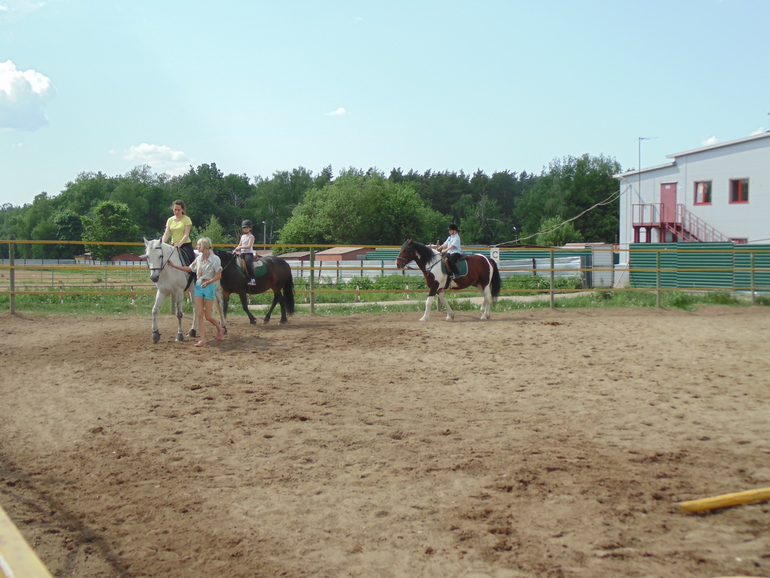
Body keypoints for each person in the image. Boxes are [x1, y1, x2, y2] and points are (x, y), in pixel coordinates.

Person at [167, 237, 224, 347]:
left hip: (209, 286)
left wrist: (208, 282)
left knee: (208, 316)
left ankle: (220, 329)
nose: (197, 247)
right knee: (199, 314)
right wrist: (174, 266)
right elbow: (189, 269)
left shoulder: (215, 259)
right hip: (199, 286)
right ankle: (202, 340)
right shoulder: (198, 259)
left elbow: (219, 275)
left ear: (205, 246)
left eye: (199, 245)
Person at [161, 200, 195, 265]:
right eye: (175, 209)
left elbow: (186, 234)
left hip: (185, 244)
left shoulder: (187, 219)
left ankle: (193, 271)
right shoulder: (170, 220)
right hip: (173, 245)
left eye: (178, 210)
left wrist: (180, 243)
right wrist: (162, 243)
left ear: (182, 210)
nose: (176, 211)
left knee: (191, 261)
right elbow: (166, 233)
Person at [233, 220, 257, 285]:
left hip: (248, 253)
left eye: (247, 227)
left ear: (250, 228)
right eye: (244, 228)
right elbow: (239, 244)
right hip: (242, 253)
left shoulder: (251, 237)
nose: (245, 229)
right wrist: (235, 250)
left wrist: (240, 247)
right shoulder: (242, 236)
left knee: (248, 264)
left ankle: (252, 279)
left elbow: (249, 246)